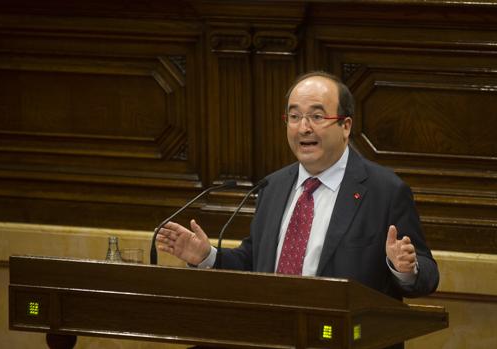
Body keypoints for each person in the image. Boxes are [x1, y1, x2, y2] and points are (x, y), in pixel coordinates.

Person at [156, 71, 439, 303]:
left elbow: (428, 275)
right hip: (274, 334)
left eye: (317, 117)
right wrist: (207, 257)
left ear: (345, 125)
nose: (303, 128)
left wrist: (405, 269)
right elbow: (254, 261)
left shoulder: (385, 190)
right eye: (294, 117)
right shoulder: (273, 185)